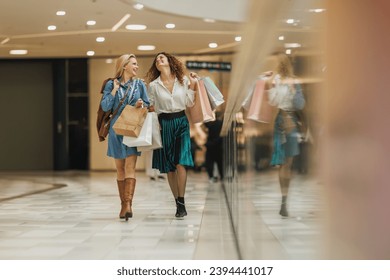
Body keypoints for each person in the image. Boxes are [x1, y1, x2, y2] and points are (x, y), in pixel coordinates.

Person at [145, 52, 198, 218]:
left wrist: (194, 85)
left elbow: (189, 102)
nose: (159, 60)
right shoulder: (153, 85)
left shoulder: (183, 80)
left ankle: (182, 200)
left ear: (169, 61)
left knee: (181, 162)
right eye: (157, 59)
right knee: (169, 167)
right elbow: (151, 107)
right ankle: (177, 202)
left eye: (162, 57)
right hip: (164, 124)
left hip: (181, 122)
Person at [100, 54, 150, 221]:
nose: (137, 67)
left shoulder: (139, 85)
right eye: (134, 64)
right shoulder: (110, 84)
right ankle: (123, 205)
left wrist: (141, 104)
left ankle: (128, 205)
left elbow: (148, 104)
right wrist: (114, 90)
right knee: (120, 168)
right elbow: (106, 106)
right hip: (116, 130)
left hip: (132, 128)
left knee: (130, 167)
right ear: (124, 66)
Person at [267, 53, 305, 217]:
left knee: (287, 163)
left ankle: (284, 200)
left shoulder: (294, 81)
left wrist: (293, 90)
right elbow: (273, 102)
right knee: (284, 162)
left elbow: (300, 103)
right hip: (282, 120)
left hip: (291, 120)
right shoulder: (275, 80)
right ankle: (283, 200)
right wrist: (273, 86)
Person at [203, 110, 224, 182]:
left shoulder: (213, 124)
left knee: (210, 161)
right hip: (217, 146)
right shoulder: (219, 124)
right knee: (219, 162)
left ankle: (212, 176)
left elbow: (206, 125)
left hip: (212, 145)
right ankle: (221, 176)